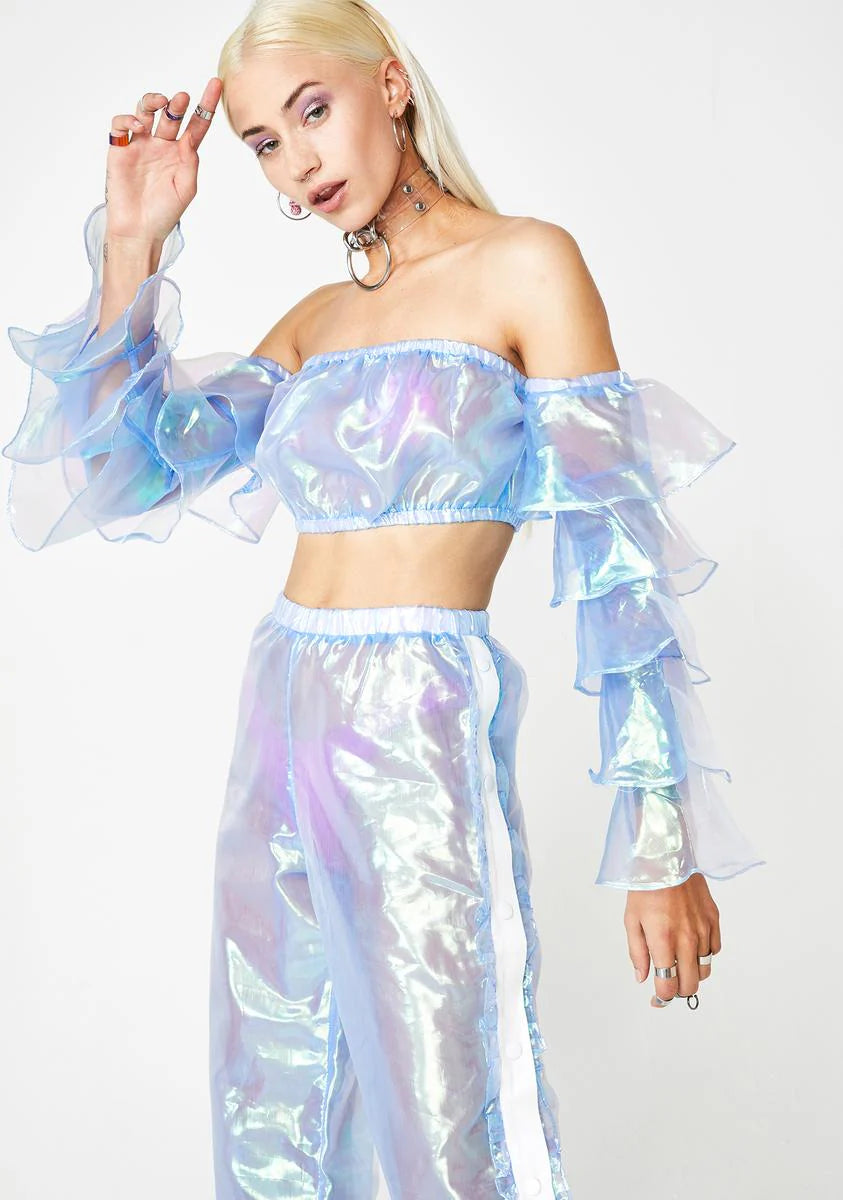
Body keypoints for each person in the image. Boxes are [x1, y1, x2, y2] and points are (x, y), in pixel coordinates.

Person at [3, 1, 766, 1196]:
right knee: (274, 1101)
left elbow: (618, 563)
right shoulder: (317, 325)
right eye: (263, 142)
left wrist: (662, 841)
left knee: (448, 1115)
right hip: (279, 714)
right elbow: (122, 472)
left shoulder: (526, 265)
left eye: (313, 110)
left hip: (418, 720)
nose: (297, 163)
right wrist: (133, 246)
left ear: (392, 85)